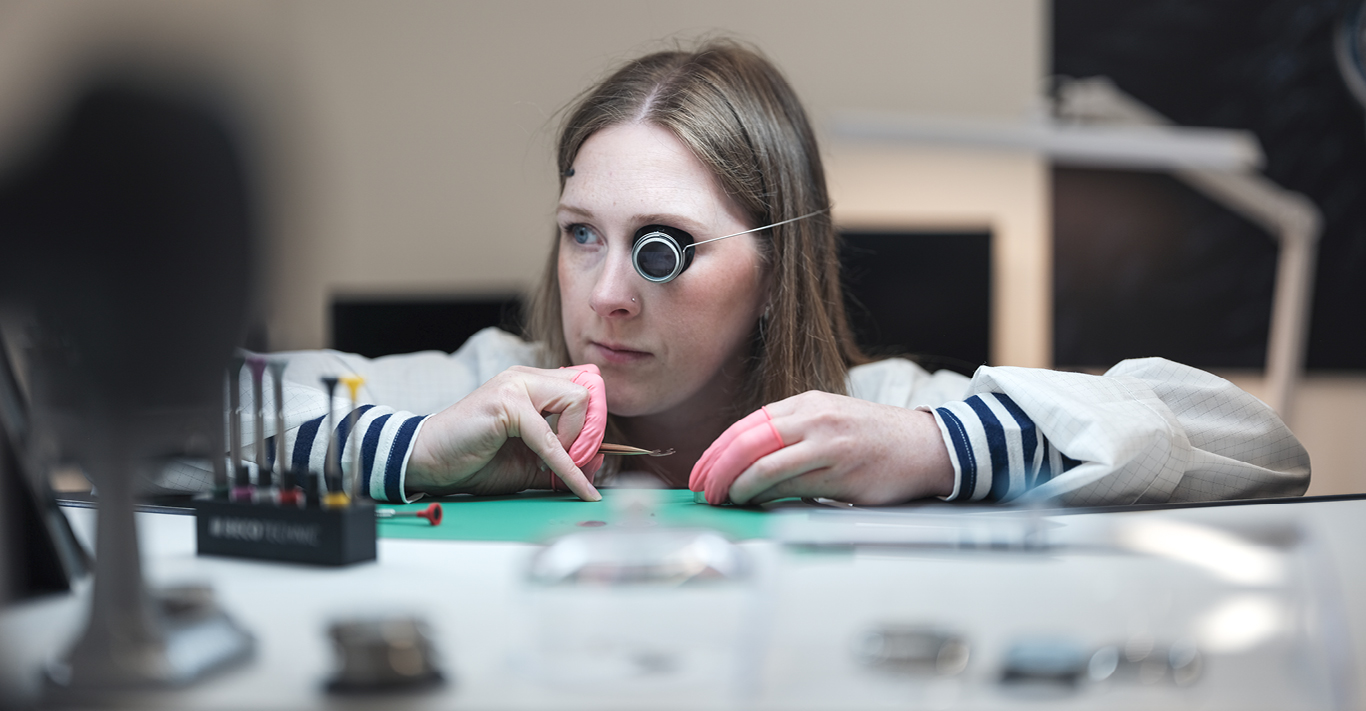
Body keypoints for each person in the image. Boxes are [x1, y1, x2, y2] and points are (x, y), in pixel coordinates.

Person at [248, 40, 1309, 508]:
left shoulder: (876, 419)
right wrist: (409, 450)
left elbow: (1255, 447)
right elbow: (183, 412)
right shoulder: (486, 388)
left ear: (774, 264)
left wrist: (947, 449)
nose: (606, 294)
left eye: (664, 248)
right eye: (580, 234)